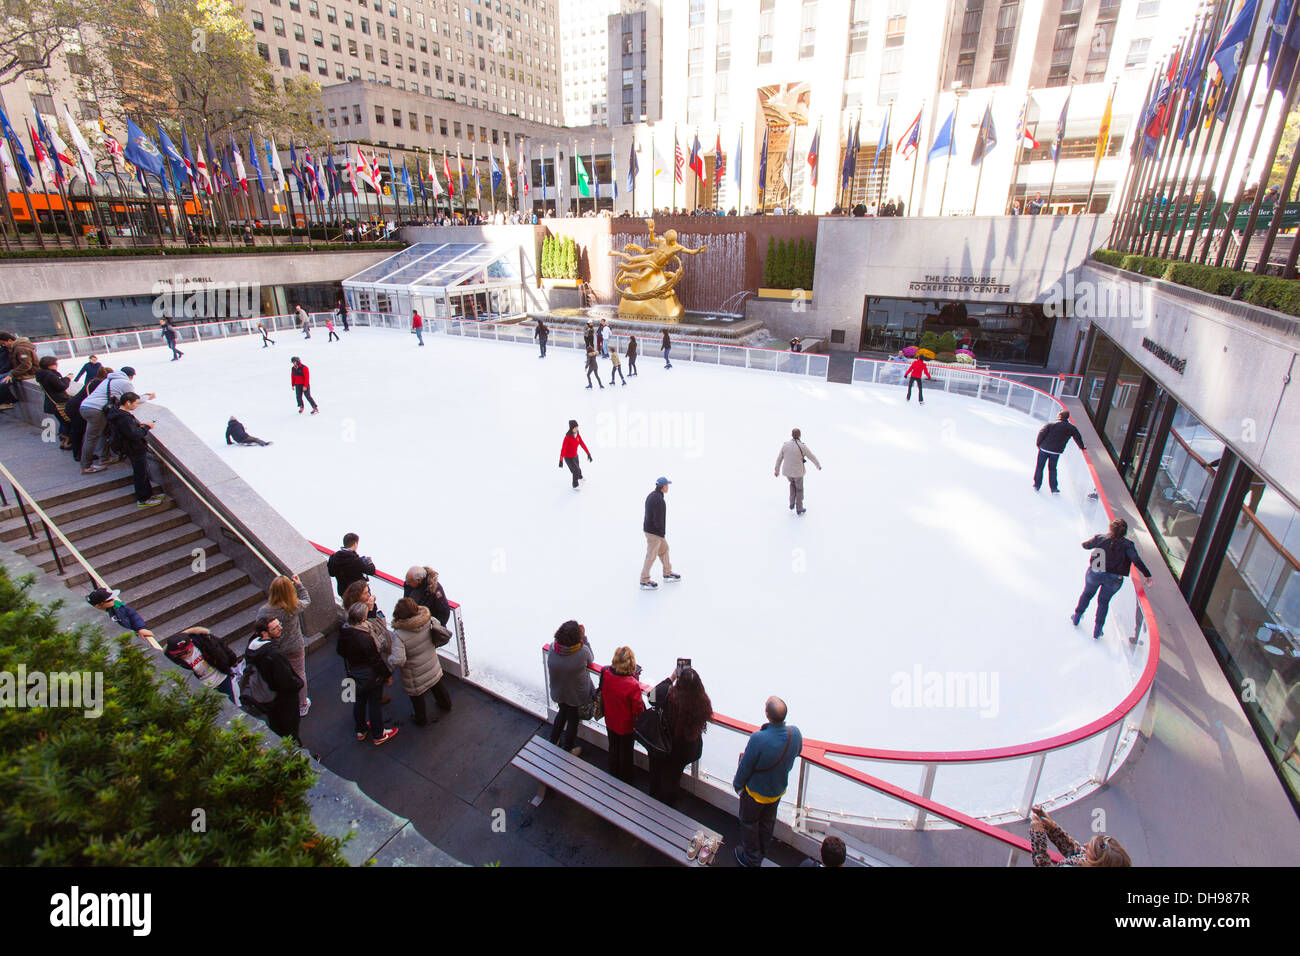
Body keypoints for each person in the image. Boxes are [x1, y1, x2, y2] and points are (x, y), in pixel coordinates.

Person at [733, 696, 802, 867]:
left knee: (749, 823)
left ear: (767, 714)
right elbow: (798, 751)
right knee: (767, 822)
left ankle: (752, 859)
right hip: (777, 791)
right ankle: (762, 851)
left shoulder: (759, 738)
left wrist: (738, 786)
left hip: (755, 793)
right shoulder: (795, 733)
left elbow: (746, 767)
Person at [1072, 518, 1153, 640]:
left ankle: (1077, 617)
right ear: (1124, 532)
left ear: (1111, 528)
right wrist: (1147, 575)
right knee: (1103, 602)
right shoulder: (1128, 546)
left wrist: (1094, 543)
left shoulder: (1101, 538)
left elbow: (1086, 545)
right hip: (1114, 578)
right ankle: (1097, 630)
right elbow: (1136, 560)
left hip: (1095, 572)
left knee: (1087, 594)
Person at [646, 664, 712, 808]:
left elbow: (651, 697)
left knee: (656, 769)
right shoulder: (702, 704)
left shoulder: (668, 694)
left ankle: (653, 797)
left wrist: (671, 678)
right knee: (674, 776)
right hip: (684, 749)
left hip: (662, 742)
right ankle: (668, 803)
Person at [79, 365, 154, 472]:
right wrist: (148, 396)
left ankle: (104, 458)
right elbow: (132, 399)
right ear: (131, 376)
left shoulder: (109, 379)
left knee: (102, 433)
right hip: (96, 410)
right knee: (91, 438)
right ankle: (86, 466)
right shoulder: (125, 383)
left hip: (86, 407)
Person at [391, 597, 453, 725]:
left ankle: (421, 719)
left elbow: (399, 660)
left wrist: (389, 658)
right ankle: (446, 704)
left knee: (417, 697)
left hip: (414, 673)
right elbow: (438, 630)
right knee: (437, 684)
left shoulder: (399, 635)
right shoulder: (428, 620)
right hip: (431, 664)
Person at [258, 573, 312, 716]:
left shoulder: (264, 611)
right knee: (300, 673)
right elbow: (307, 600)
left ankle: (287, 702)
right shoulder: (293, 606)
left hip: (277, 649)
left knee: (282, 675)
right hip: (295, 646)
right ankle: (302, 704)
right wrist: (299, 585)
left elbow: (258, 626)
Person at [245, 615, 304, 745]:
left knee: (277, 725)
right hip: (282, 699)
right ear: (264, 633)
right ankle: (297, 752)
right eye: (275, 628)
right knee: (290, 728)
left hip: (267, 697)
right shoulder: (273, 655)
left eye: (279, 624)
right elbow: (286, 680)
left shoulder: (252, 647)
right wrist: (299, 684)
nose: (280, 628)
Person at [106, 392, 165, 508]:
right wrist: (147, 427)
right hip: (134, 448)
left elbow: (128, 430)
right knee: (140, 473)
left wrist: (137, 426)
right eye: (136, 403)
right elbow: (133, 435)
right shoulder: (124, 418)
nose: (136, 406)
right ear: (128, 403)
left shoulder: (117, 413)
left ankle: (148, 495)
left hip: (131, 448)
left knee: (143, 472)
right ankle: (143, 499)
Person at [547, 620, 596, 753]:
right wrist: (584, 638)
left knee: (562, 713)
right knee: (573, 719)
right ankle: (568, 749)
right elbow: (591, 659)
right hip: (575, 695)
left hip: (559, 692)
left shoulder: (552, 648)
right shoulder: (582, 652)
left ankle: (554, 740)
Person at [1029, 806, 1131, 866]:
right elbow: (1073, 851)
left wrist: (1037, 836)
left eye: (1089, 849)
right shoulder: (1087, 860)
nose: (1084, 845)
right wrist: (1052, 828)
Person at [601, 646, 644, 785]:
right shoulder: (632, 685)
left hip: (610, 720)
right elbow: (638, 709)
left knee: (613, 746)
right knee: (626, 753)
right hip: (626, 726)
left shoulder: (606, 674)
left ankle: (613, 771)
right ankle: (626, 780)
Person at [164, 626, 241, 704]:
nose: (186, 655)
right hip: (204, 687)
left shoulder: (204, 642)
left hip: (221, 677)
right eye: (180, 654)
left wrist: (233, 659)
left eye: (187, 651)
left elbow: (221, 647)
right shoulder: (175, 660)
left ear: (191, 642)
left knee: (231, 701)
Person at [1033, 409, 1086, 494]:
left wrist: (1039, 444)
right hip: (1056, 452)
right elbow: (1077, 437)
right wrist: (1082, 447)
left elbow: (1041, 433)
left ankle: (1037, 485)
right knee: (1052, 469)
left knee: (1040, 467)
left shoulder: (1051, 424)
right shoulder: (1071, 428)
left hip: (1044, 449)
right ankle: (1054, 488)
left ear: (1060, 416)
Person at [640, 477, 679, 590]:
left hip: (652, 531)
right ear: (663, 486)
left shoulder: (652, 495)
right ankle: (644, 580)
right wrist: (660, 531)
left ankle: (667, 573)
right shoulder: (659, 500)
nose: (668, 487)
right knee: (651, 556)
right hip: (654, 533)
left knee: (664, 550)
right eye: (667, 485)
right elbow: (658, 519)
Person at [774, 427, 823, 515]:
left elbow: (779, 459)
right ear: (800, 435)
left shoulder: (785, 445)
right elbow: (811, 456)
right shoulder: (802, 446)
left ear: (792, 435)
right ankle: (799, 508)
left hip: (788, 472)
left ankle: (792, 503)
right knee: (799, 489)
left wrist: (776, 470)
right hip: (798, 473)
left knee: (792, 485)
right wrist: (818, 465)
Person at [87, 586, 155, 641]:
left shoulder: (118, 605)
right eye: (109, 600)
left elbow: (133, 616)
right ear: (98, 605)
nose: (114, 600)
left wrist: (140, 628)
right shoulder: (91, 617)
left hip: (126, 638)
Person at [35, 356, 73, 450]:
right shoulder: (50, 375)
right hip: (59, 402)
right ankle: (68, 442)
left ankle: (63, 441)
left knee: (62, 422)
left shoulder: (41, 375)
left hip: (51, 403)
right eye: (55, 364)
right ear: (50, 365)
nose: (57, 366)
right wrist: (67, 378)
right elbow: (61, 386)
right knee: (67, 422)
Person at [328, 532, 376, 597]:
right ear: (355, 544)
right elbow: (371, 571)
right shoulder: (354, 560)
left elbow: (331, 573)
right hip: (358, 594)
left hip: (343, 592)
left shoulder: (334, 557)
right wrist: (369, 562)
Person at [559, 419, 592, 489]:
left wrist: (588, 454)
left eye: (577, 427)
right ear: (571, 428)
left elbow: (582, 444)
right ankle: (575, 485)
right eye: (575, 428)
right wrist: (561, 460)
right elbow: (563, 449)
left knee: (578, 468)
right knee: (575, 470)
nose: (576, 429)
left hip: (575, 456)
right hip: (568, 457)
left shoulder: (577, 436)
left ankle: (580, 477)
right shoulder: (567, 438)